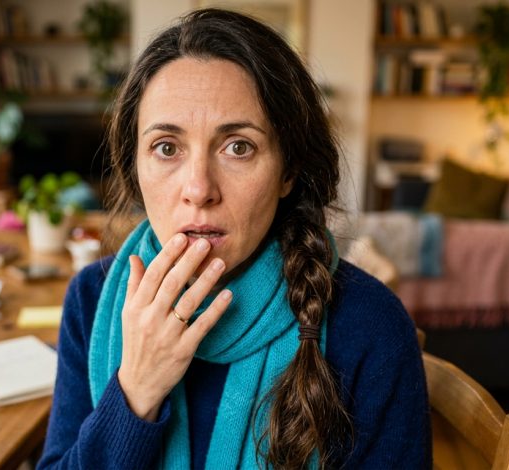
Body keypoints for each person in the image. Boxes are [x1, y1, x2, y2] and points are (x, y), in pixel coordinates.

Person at [38, 8, 430, 469]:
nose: (199, 189)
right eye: (167, 148)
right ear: (135, 167)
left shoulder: (371, 328)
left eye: (238, 147)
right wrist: (135, 392)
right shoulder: (92, 299)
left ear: (289, 170)